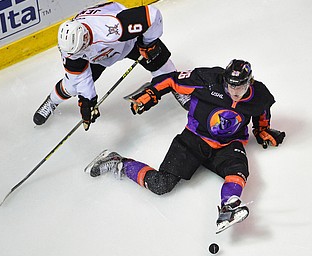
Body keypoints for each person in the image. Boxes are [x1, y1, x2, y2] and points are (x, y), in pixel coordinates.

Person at [84, 59, 286, 233]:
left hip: (228, 144)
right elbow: (172, 79)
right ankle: (118, 162)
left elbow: (262, 110)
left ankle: (228, 207)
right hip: (194, 139)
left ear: (249, 83)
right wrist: (151, 93)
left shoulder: (259, 93)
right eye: (231, 86)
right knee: (160, 185)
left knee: (238, 171)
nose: (235, 92)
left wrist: (262, 130)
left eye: (240, 87)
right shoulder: (207, 80)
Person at [33, 2, 190, 131]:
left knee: (162, 67)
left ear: (86, 38)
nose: (76, 55)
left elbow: (152, 15)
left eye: (80, 50)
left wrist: (148, 44)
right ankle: (52, 101)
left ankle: (177, 88)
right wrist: (88, 100)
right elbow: (80, 77)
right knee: (72, 86)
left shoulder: (112, 27)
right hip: (98, 58)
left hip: (128, 43)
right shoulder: (71, 49)